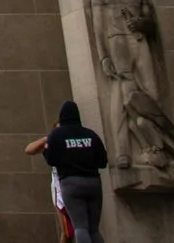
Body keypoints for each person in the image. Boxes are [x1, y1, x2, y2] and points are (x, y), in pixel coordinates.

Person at [26, 101, 109, 243]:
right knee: (94, 229)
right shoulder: (90, 134)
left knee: (80, 227)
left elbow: (51, 160)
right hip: (93, 182)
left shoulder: (57, 136)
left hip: (71, 183)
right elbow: (102, 161)